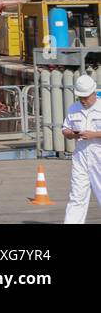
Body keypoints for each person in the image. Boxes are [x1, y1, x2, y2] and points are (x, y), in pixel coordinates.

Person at [63, 73, 101, 224]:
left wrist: (94, 135)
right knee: (77, 196)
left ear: (93, 92)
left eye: (86, 97)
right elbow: (65, 130)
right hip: (81, 158)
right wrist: (72, 134)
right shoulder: (73, 109)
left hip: (99, 157)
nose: (83, 101)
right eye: (81, 97)